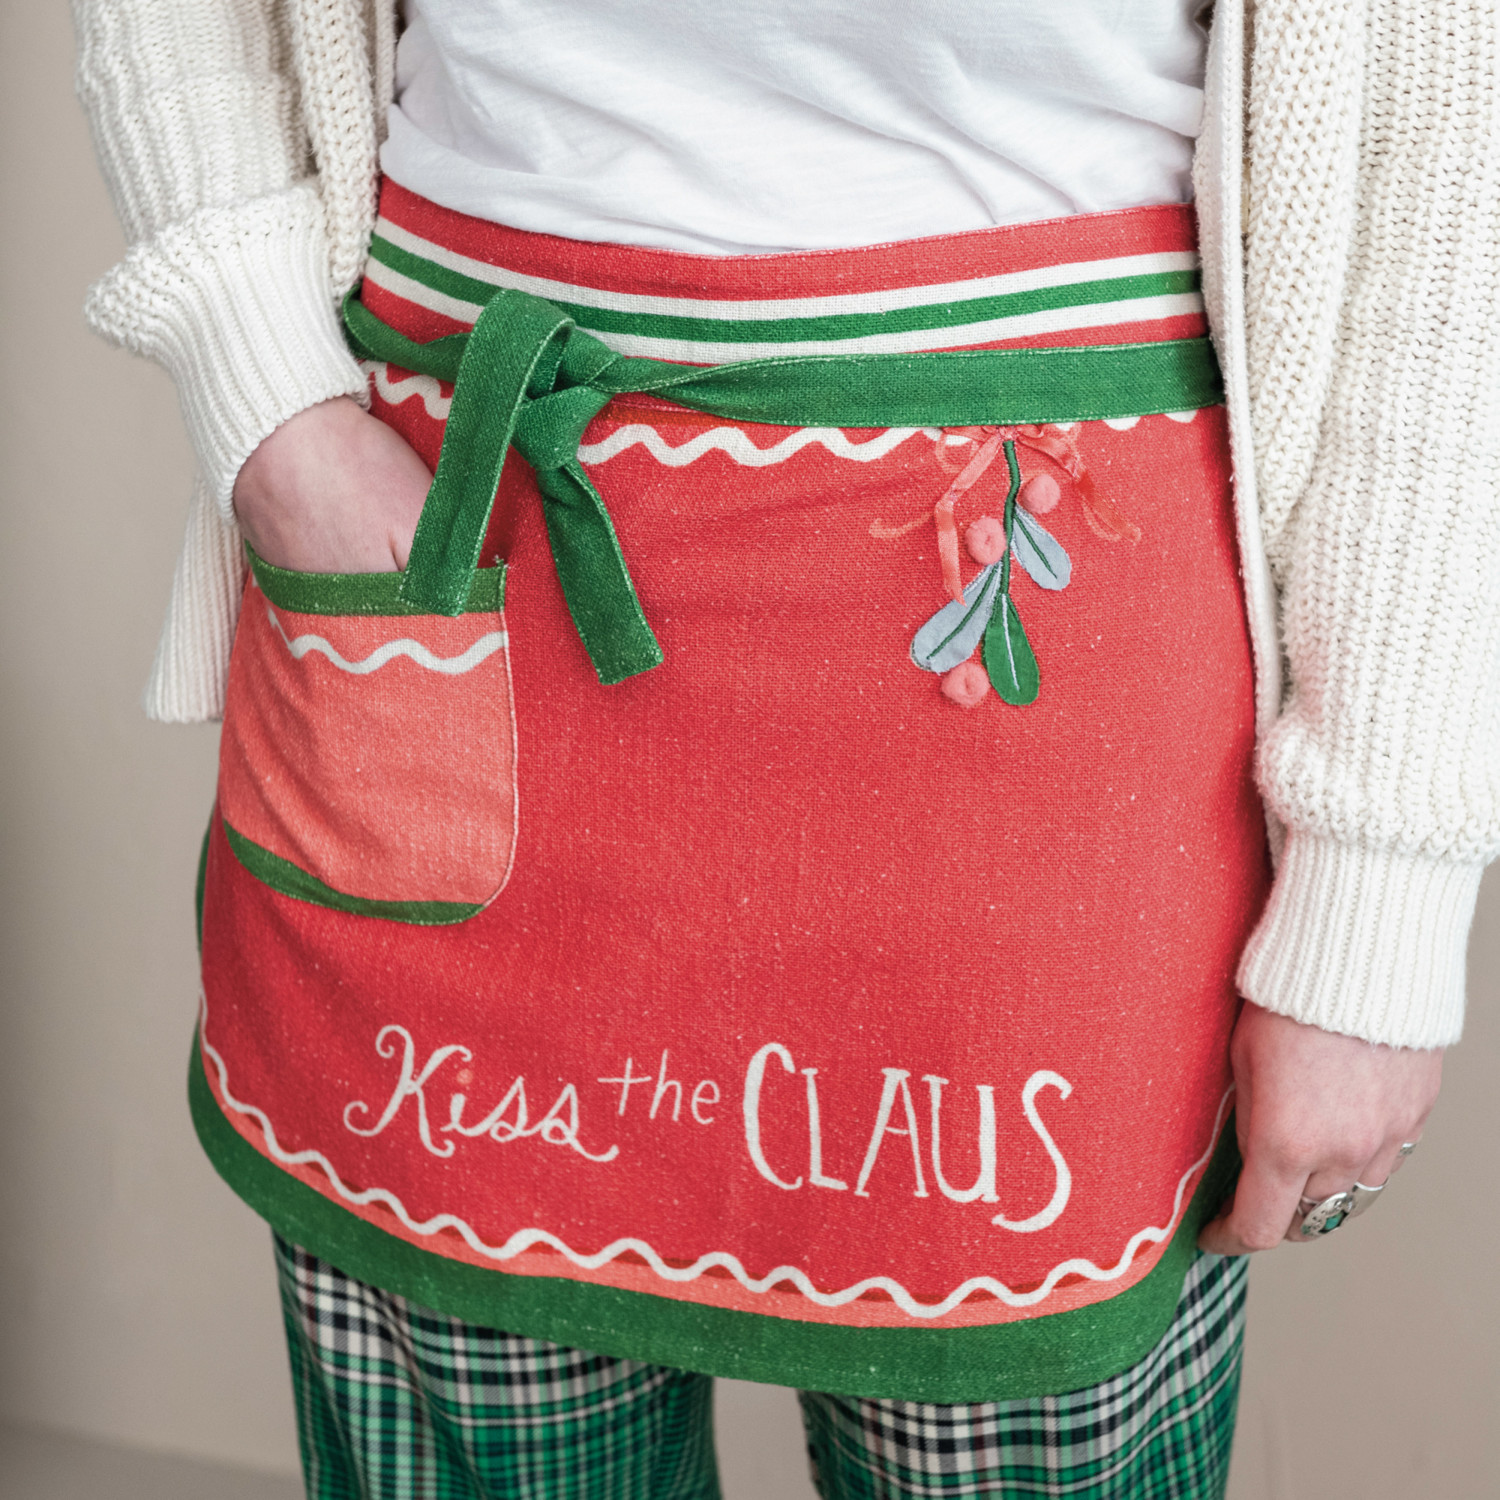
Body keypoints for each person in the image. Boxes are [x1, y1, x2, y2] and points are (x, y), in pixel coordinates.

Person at [74, 1, 1492, 1496]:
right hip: (448, 543)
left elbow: (1442, 189)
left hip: (1031, 699)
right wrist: (268, 404)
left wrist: (1382, 895)